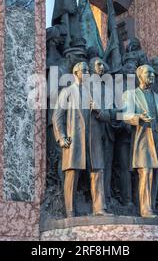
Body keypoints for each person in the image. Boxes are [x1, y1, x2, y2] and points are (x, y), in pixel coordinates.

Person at [52, 62, 111, 217]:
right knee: (72, 174)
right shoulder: (67, 92)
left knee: (97, 172)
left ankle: (99, 208)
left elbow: (107, 116)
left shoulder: (95, 93)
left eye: (87, 71)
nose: (86, 73)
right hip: (74, 139)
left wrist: (98, 110)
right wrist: (61, 137)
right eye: (83, 71)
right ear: (75, 73)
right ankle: (70, 211)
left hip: (93, 140)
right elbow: (57, 116)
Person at [122, 65, 158, 218]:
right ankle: (145, 210)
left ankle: (150, 205)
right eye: (148, 73)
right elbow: (124, 115)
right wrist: (138, 118)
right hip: (143, 137)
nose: (151, 76)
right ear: (139, 76)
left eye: (153, 74)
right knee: (146, 172)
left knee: (156, 175)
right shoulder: (130, 95)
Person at [89, 57, 115, 209]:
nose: (102, 67)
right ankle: (98, 204)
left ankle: (106, 198)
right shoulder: (85, 87)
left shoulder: (107, 88)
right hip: (93, 129)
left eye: (103, 64)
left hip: (107, 130)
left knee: (107, 165)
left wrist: (107, 113)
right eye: (98, 64)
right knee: (97, 166)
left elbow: (111, 110)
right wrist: (103, 113)